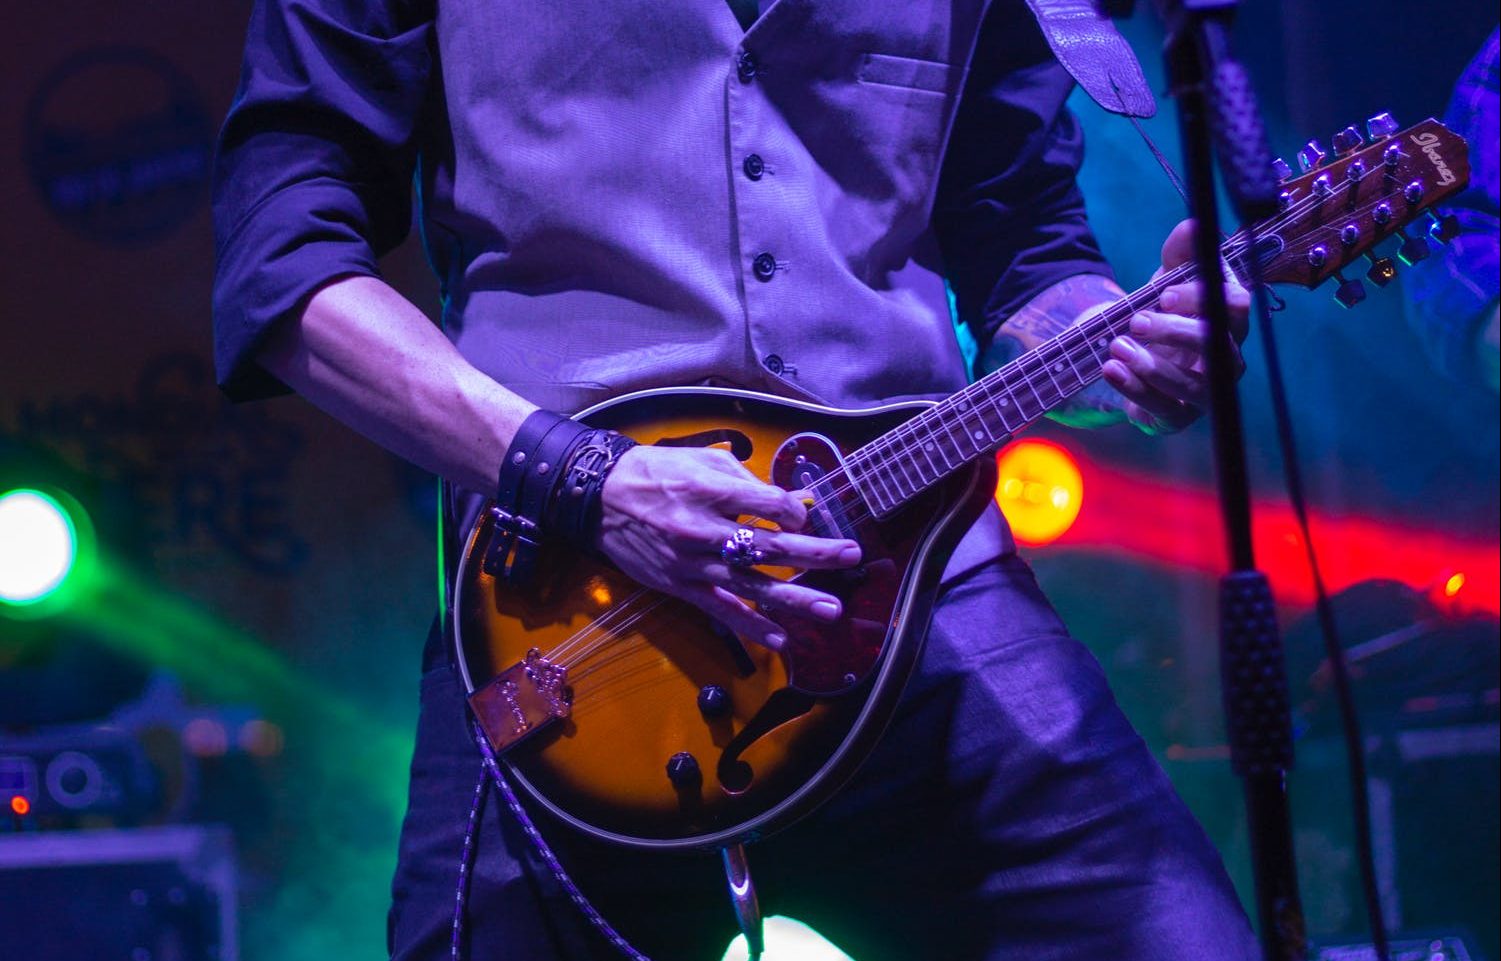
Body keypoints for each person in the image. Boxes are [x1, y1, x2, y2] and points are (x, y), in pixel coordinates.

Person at [212, 0, 1261, 958]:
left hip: (920, 592)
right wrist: (588, 481)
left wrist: (1118, 343)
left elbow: (1025, 242)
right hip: (560, 615)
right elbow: (283, 268)